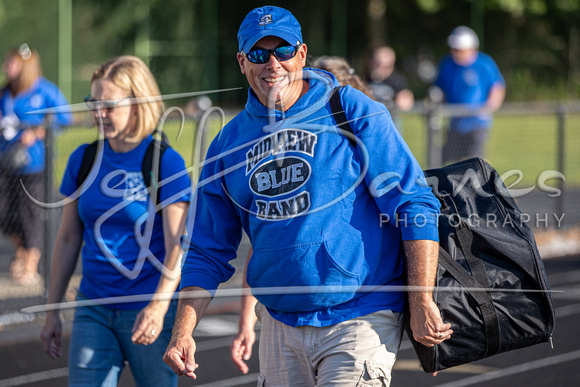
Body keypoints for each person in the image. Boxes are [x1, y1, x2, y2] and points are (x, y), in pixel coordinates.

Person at [164, 5, 451, 386]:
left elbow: (414, 202)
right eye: (258, 54)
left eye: (282, 51)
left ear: (300, 54)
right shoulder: (227, 145)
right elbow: (206, 249)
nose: (272, 64)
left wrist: (421, 299)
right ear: (241, 61)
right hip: (280, 324)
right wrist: (183, 331)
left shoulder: (349, 109)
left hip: (360, 315)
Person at [40, 55, 191, 387]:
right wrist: (53, 309)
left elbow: (176, 247)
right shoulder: (83, 159)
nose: (98, 113)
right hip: (93, 307)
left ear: (137, 103)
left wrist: (158, 307)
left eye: (108, 104)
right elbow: (67, 239)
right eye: (93, 103)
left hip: (148, 312)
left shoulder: (164, 162)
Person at [229, 54, 376, 375]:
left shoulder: (361, 127)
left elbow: (406, 218)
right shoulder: (286, 148)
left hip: (357, 309)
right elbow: (262, 241)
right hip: (287, 316)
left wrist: (423, 304)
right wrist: (246, 321)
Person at [0, 44, 73, 286]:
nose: (6, 67)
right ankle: (22, 251)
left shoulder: (44, 90)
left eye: (10, 63)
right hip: (6, 164)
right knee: (5, 213)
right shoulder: (5, 93)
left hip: (34, 166)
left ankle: (31, 264)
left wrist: (38, 131)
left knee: (31, 214)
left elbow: (65, 118)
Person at [434, 26, 506, 164]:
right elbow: (439, 89)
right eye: (454, 49)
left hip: (477, 123)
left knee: (475, 160)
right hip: (455, 123)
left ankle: (480, 184)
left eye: (459, 49)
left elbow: (497, 87)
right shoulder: (447, 64)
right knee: (448, 159)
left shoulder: (484, 64)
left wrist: (489, 108)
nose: (455, 52)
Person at [366, 45, 414, 112]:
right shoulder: (366, 78)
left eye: (386, 66)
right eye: (377, 64)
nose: (380, 68)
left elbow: (407, 99)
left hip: (390, 116)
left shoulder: (397, 79)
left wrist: (400, 100)